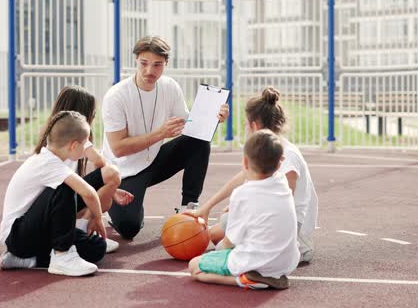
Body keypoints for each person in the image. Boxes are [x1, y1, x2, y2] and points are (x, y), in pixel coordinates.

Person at [101, 36, 229, 240]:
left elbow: (192, 127)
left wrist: (215, 119)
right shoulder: (116, 96)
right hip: (123, 171)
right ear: (136, 60)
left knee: (199, 140)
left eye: (157, 65)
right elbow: (118, 148)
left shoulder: (170, 87)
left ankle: (188, 208)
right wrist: (160, 134)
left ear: (166, 64)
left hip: (154, 161)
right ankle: (120, 209)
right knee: (129, 228)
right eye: (144, 63)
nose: (150, 71)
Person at [196, 86, 318, 263]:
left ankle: (295, 248)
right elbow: (242, 177)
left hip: (288, 229)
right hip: (268, 218)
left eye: (245, 123)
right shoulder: (267, 147)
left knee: (222, 240)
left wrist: (245, 208)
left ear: (255, 125)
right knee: (217, 230)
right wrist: (206, 207)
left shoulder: (287, 155)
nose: (244, 127)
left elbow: (285, 206)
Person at [0, 111, 107, 276]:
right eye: (85, 143)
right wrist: (97, 219)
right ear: (73, 145)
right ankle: (62, 257)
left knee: (97, 247)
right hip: (18, 236)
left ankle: (27, 259)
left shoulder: (53, 160)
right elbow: (89, 193)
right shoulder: (48, 164)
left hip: (36, 231)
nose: (87, 147)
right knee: (66, 187)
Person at [188, 130, 300, 289]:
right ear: (279, 164)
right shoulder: (281, 181)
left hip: (255, 263)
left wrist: (216, 253)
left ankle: (246, 279)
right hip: (285, 264)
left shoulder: (242, 194)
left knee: (195, 266)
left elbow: (229, 242)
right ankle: (262, 276)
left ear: (245, 163)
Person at [34, 85, 134, 253]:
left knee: (103, 192)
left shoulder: (51, 134)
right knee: (108, 184)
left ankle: (80, 227)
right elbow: (100, 162)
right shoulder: (77, 135)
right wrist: (110, 186)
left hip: (49, 202)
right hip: (56, 200)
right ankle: (83, 227)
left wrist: (111, 188)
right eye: (92, 113)